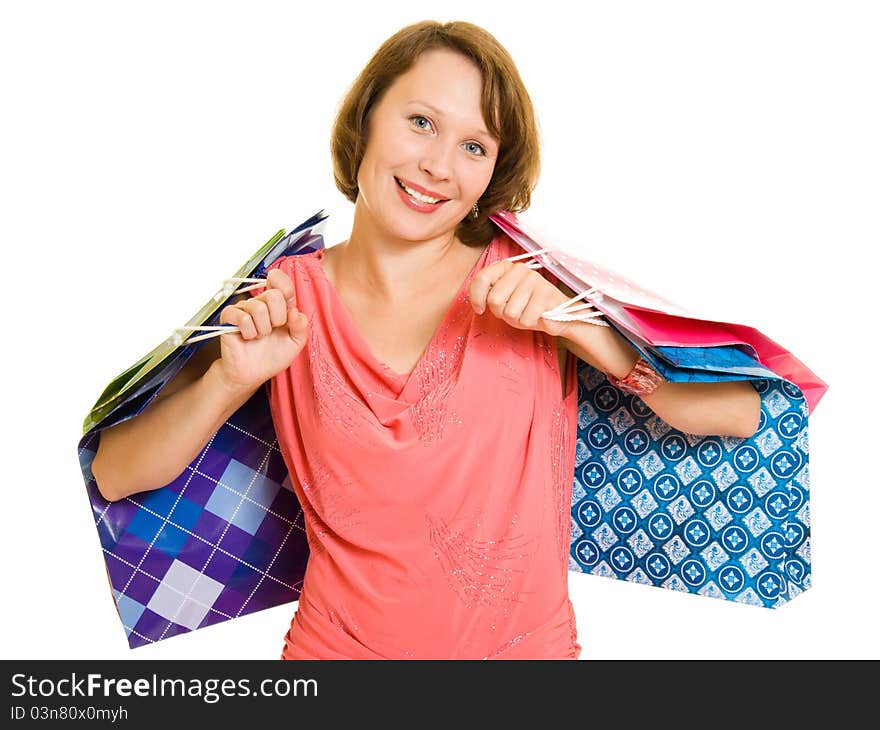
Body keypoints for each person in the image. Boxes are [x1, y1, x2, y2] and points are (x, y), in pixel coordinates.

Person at [91, 20, 761, 659]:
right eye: (421, 123)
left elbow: (742, 412)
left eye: (474, 146)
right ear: (366, 119)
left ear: (489, 177)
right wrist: (229, 381)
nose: (438, 164)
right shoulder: (283, 297)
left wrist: (587, 332)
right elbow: (115, 474)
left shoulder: (530, 282)